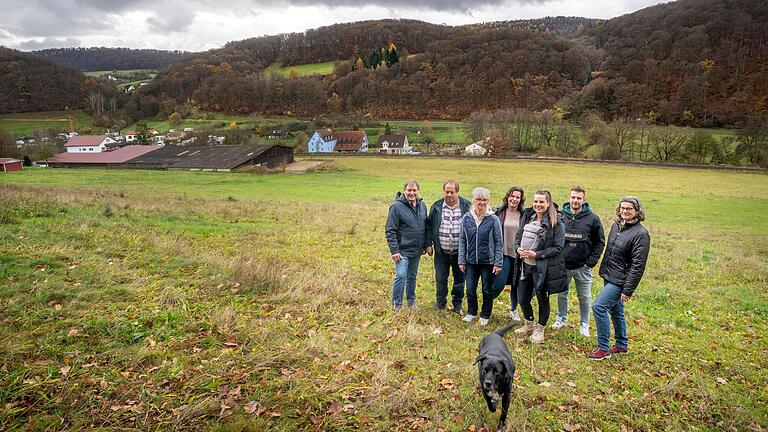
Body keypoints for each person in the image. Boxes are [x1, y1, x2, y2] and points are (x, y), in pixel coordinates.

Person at [587, 196, 650, 360]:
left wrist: (627, 290)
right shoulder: (617, 226)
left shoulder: (641, 234)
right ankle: (622, 345)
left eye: (629, 208)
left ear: (637, 211)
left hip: (620, 280)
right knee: (616, 310)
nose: (625, 211)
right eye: (622, 208)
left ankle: (603, 349)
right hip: (610, 275)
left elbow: (638, 266)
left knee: (599, 307)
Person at [514, 190, 567, 344]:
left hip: (543, 268)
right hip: (525, 266)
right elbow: (518, 237)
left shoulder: (556, 222)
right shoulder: (527, 216)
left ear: (548, 203)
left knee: (542, 298)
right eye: (536, 201)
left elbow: (558, 247)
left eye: (541, 202)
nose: (538, 204)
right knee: (522, 298)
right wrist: (518, 249)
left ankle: (540, 329)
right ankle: (528, 323)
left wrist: (536, 255)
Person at [551, 186, 606, 337]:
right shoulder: (561, 216)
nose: (575, 201)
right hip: (563, 265)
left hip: (583, 267)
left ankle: (584, 324)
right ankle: (561, 318)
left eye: (579, 198)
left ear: (584, 200)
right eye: (573, 197)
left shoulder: (593, 218)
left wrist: (591, 262)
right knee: (562, 294)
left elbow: (600, 242)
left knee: (584, 296)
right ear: (569, 198)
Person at [458, 187, 503, 326]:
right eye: (479, 199)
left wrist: (498, 262)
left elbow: (499, 242)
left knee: (486, 289)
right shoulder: (466, 218)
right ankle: (471, 312)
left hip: (488, 262)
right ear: (474, 200)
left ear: (488, 201)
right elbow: (462, 240)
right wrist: (461, 260)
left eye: (484, 200)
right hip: (471, 261)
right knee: (470, 288)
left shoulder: (493, 219)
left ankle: (485, 314)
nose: (481, 202)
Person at [425, 180, 471, 313]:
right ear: (443, 192)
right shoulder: (436, 206)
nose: (449, 194)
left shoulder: (466, 206)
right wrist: (428, 244)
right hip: (441, 251)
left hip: (460, 252)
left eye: (452, 192)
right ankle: (440, 303)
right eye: (447, 192)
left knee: (459, 280)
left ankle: (457, 304)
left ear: (457, 192)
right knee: (440, 278)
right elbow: (428, 225)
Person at [385, 179, 428, 312]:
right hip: (402, 250)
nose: (412, 193)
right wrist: (394, 250)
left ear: (418, 191)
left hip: (416, 250)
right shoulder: (396, 207)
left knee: (412, 277)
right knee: (401, 275)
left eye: (414, 190)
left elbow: (425, 227)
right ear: (404, 191)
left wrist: (426, 244)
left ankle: (411, 302)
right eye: (409, 190)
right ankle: (396, 305)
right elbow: (390, 230)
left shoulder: (422, 206)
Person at [492, 187, 530, 322]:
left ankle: (514, 310)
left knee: (517, 284)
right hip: (503, 253)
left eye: (517, 197)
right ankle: (487, 303)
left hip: (519, 255)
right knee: (498, 283)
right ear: (507, 197)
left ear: (521, 200)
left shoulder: (525, 215)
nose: (514, 199)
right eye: (512, 196)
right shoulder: (498, 212)